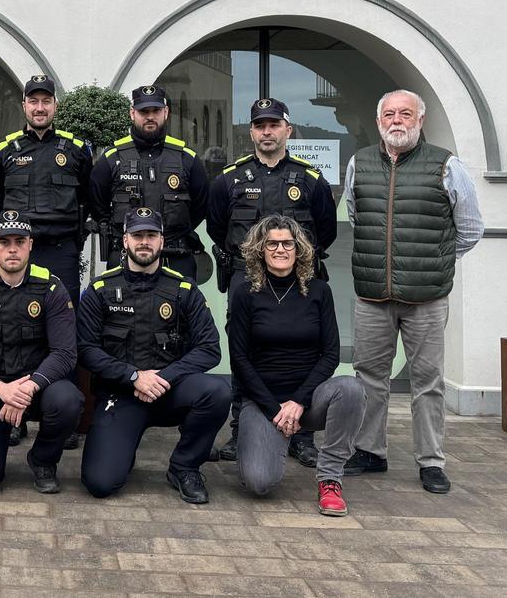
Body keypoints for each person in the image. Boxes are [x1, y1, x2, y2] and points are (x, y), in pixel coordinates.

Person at [343, 89, 483, 494]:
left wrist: (434, 260)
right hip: (372, 294)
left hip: (427, 297)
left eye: (406, 113)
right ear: (379, 121)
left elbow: (471, 230)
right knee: (370, 376)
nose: (397, 120)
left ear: (420, 121)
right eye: (389, 114)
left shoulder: (446, 165)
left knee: (427, 381)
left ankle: (431, 461)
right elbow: (357, 216)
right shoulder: (360, 162)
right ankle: (370, 451)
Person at [207, 97, 337, 465]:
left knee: (306, 347)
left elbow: (325, 232)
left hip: (300, 279)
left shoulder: (310, 180)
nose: (267, 131)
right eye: (260, 125)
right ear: (251, 131)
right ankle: (240, 429)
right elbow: (218, 228)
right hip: (244, 278)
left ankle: (303, 435)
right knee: (242, 350)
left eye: (274, 125)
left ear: (287, 130)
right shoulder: (229, 180)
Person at [78, 208, 229, 504]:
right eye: (137, 235)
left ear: (161, 240)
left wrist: (162, 377)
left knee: (217, 392)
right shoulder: (100, 290)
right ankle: (122, 446)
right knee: (100, 482)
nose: (144, 242)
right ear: (125, 240)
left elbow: (210, 348)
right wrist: (133, 377)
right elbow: (85, 349)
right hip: (121, 394)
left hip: (169, 391)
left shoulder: (184, 289)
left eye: (151, 235)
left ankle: (185, 466)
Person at [228, 215, 365, 516]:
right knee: (259, 483)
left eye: (287, 243)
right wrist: (275, 409)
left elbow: (330, 354)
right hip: (264, 402)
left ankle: (330, 478)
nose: (280, 249)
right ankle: (273, 437)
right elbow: (238, 360)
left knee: (351, 389)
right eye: (272, 243)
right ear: (260, 250)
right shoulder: (244, 294)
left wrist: (298, 402)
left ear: (298, 248)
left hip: (308, 401)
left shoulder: (319, 291)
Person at [0, 211, 83, 494]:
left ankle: (43, 459)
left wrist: (27, 389)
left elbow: (65, 353)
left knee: (69, 399)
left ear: (30, 244)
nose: (12, 248)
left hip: (37, 388)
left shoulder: (51, 287)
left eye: (19, 241)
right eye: (5, 241)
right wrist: (0, 389)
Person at [90, 85, 208, 279]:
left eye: (156, 111)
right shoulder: (111, 159)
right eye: (144, 111)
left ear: (166, 112)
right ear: (132, 113)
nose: (150, 117)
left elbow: (201, 207)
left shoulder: (187, 159)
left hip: (176, 256)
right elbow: (98, 206)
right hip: (124, 257)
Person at [0, 76, 91, 301]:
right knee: (16, 314)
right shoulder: (4, 151)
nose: (39, 108)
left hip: (62, 250)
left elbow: (87, 198)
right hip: (19, 250)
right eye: (33, 101)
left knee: (66, 315)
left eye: (46, 101)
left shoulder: (76, 150)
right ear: (24, 105)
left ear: (56, 105)